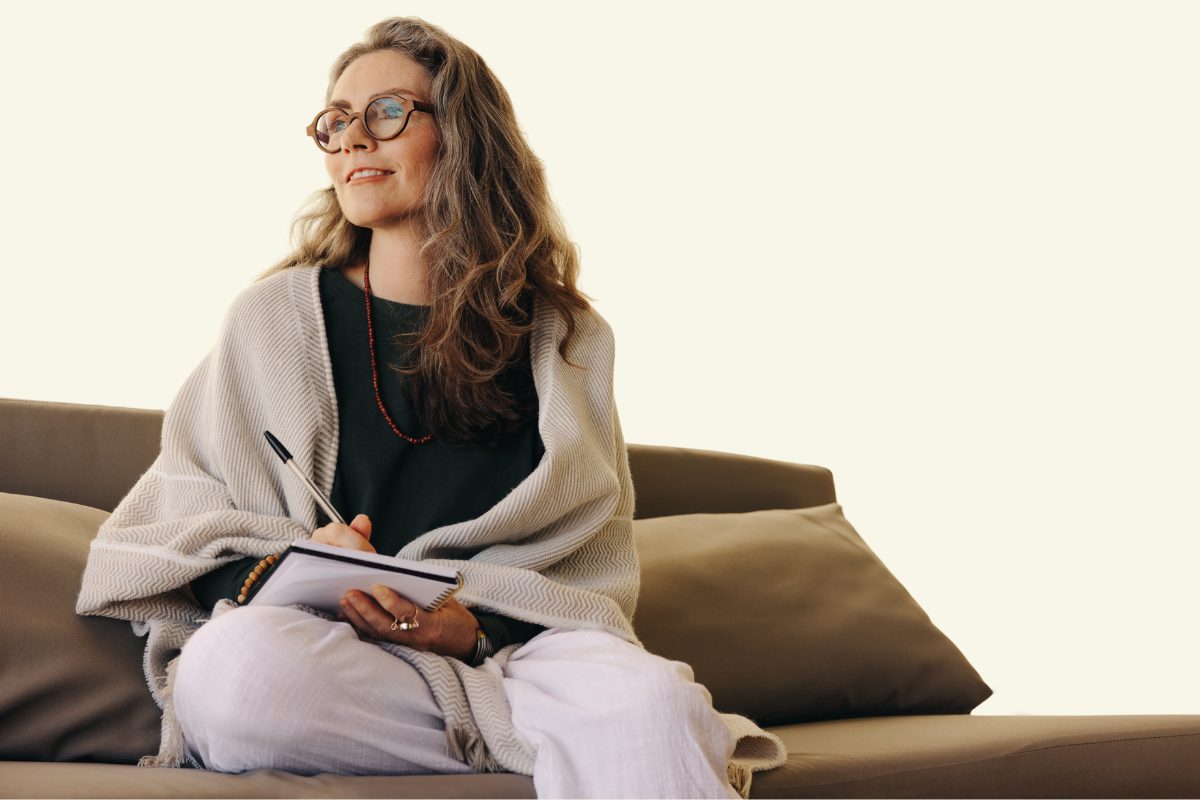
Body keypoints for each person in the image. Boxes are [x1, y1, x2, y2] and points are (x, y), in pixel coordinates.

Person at [76, 16, 783, 798]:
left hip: (517, 659)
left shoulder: (567, 340)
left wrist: (472, 628)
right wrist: (302, 560)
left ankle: (561, 734)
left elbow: (587, 572)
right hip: (332, 650)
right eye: (335, 121)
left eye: (385, 113)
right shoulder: (270, 320)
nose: (351, 140)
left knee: (650, 697)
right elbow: (188, 516)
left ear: (465, 136)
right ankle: (552, 749)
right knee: (231, 675)